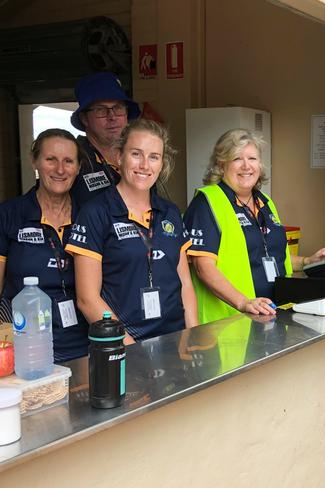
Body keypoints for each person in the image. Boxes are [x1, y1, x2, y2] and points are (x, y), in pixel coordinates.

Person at [183, 128, 325, 323]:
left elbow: (270, 256)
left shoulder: (265, 202)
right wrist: (244, 302)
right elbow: (203, 267)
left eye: (252, 158)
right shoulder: (207, 202)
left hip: (271, 313)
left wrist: (308, 261)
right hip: (227, 322)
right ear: (221, 165)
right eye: (237, 159)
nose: (246, 166)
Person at [66, 119, 198, 344]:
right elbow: (87, 299)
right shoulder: (96, 213)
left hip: (175, 341)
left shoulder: (170, 212)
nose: (145, 165)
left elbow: (184, 282)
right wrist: (131, 350)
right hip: (126, 343)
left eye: (154, 157)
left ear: (161, 164)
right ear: (119, 157)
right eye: (136, 154)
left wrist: (193, 335)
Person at [0, 129, 89, 361]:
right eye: (51, 159)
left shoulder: (90, 217)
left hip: (84, 345)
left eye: (68, 161)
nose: (60, 169)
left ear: (78, 167)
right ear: (35, 162)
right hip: (25, 348)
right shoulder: (9, 214)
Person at [69, 71, 140, 205]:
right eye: (101, 110)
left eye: (118, 108)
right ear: (84, 118)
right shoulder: (72, 159)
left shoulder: (139, 158)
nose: (112, 117)